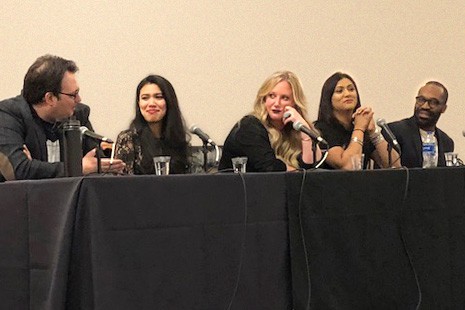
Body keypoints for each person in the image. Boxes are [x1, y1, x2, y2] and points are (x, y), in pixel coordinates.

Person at [0, 54, 124, 181]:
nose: (79, 99)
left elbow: (97, 165)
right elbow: (19, 170)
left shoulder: (78, 114)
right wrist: (78, 168)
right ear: (50, 98)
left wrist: (37, 168)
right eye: (73, 95)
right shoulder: (8, 115)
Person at [218, 70, 322, 172]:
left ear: (295, 103)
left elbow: (311, 168)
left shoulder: (291, 130)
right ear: (264, 99)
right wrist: (298, 173)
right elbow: (269, 167)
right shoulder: (249, 126)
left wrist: (305, 130)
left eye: (284, 98)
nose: (276, 103)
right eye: (272, 96)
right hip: (237, 188)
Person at [314, 72, 400, 170]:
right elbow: (347, 166)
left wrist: (373, 133)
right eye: (339, 91)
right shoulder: (321, 129)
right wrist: (359, 129)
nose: (347, 94)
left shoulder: (358, 127)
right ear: (329, 98)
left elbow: (395, 165)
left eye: (351, 89)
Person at [115, 75, 190, 174]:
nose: (151, 103)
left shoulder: (177, 138)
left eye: (158, 97)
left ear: (169, 101)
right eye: (145, 98)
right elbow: (122, 184)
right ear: (139, 103)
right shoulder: (128, 139)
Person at [388, 81, 454, 168]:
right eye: (421, 100)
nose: (425, 106)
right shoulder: (394, 131)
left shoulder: (446, 142)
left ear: (443, 108)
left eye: (433, 102)